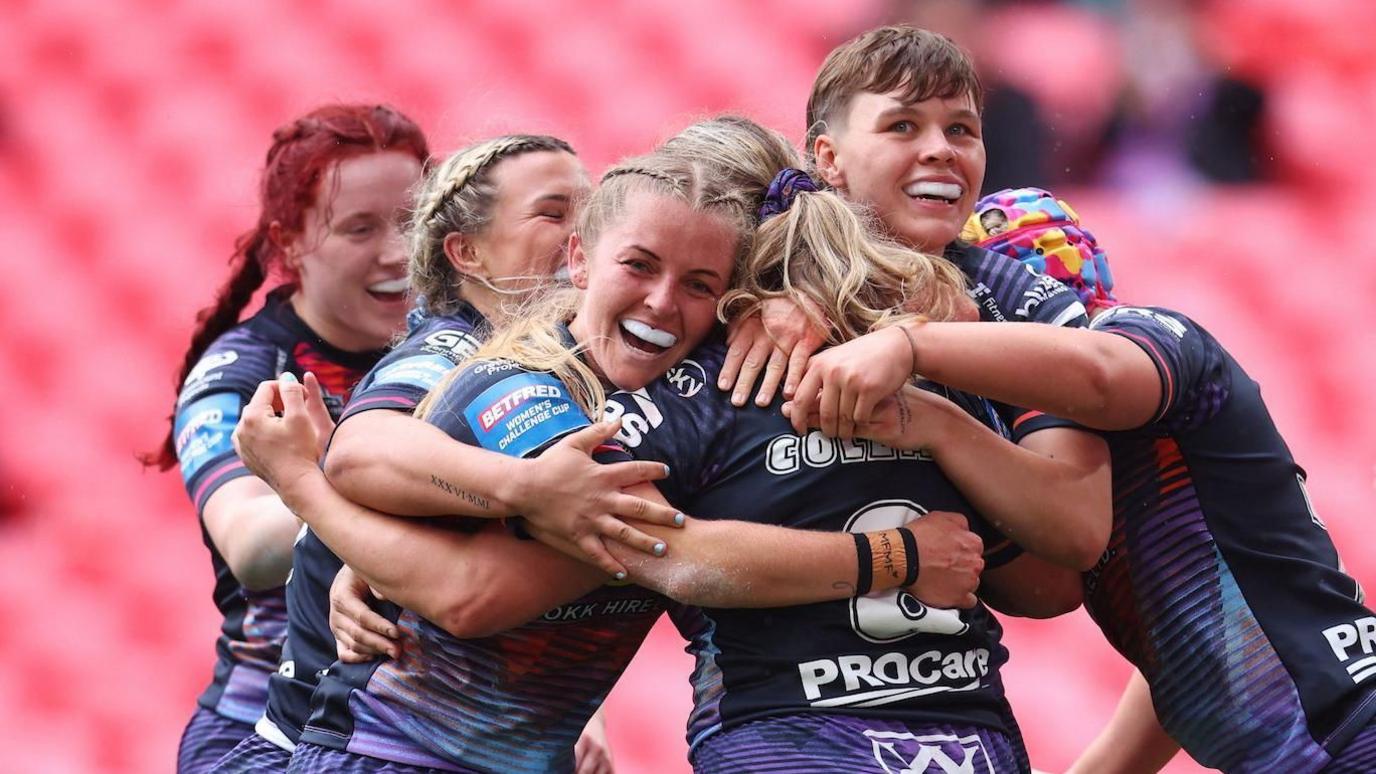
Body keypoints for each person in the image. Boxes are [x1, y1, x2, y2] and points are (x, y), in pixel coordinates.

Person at [250, 116, 1087, 773]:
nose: (661, 301)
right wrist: (895, 558)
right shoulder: (517, 372)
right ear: (582, 257)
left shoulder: (711, 390)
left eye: (701, 282)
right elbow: (468, 570)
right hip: (385, 750)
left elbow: (1046, 574)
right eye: (636, 262)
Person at [786, 186, 1376, 772]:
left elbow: (1098, 375)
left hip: (1345, 730)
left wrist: (911, 348)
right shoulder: (1056, 445)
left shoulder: (1141, 335)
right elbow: (1204, 640)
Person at [211, 134, 637, 773]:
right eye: (553, 212)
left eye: (593, 211)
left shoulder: (560, 359)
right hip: (321, 746)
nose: (584, 233)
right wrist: (531, 488)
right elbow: (360, 454)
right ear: (467, 253)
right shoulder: (447, 354)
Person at [141, 103, 429, 773]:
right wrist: (386, 476)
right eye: (360, 227)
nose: (397, 252)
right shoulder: (244, 374)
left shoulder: (458, 349)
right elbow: (250, 547)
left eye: (412, 221)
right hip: (263, 734)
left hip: (428, 730)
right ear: (289, 242)